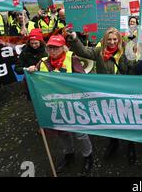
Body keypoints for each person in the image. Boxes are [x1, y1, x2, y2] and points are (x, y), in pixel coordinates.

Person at [66, 27, 136, 164]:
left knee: (127, 119)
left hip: (123, 92)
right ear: (105, 40)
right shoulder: (99, 52)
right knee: (110, 118)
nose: (112, 42)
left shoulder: (126, 51)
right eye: (109, 39)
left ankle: (131, 145)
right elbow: (83, 51)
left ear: (119, 39)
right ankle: (113, 142)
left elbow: (133, 68)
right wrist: (74, 38)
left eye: (115, 39)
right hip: (106, 93)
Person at [27, 34, 94, 175]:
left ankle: (88, 156)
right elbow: (33, 83)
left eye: (56, 47)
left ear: (63, 48)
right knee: (62, 133)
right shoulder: (43, 62)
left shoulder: (72, 58)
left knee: (80, 133)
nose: (52, 50)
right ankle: (69, 154)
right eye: (50, 47)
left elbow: (83, 80)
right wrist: (32, 71)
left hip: (73, 104)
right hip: (55, 105)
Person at [14, 29, 47, 100]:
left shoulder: (47, 50)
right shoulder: (25, 52)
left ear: (41, 42)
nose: (33, 45)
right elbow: (17, 69)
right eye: (31, 43)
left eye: (36, 43)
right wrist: (27, 69)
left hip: (45, 82)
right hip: (31, 82)